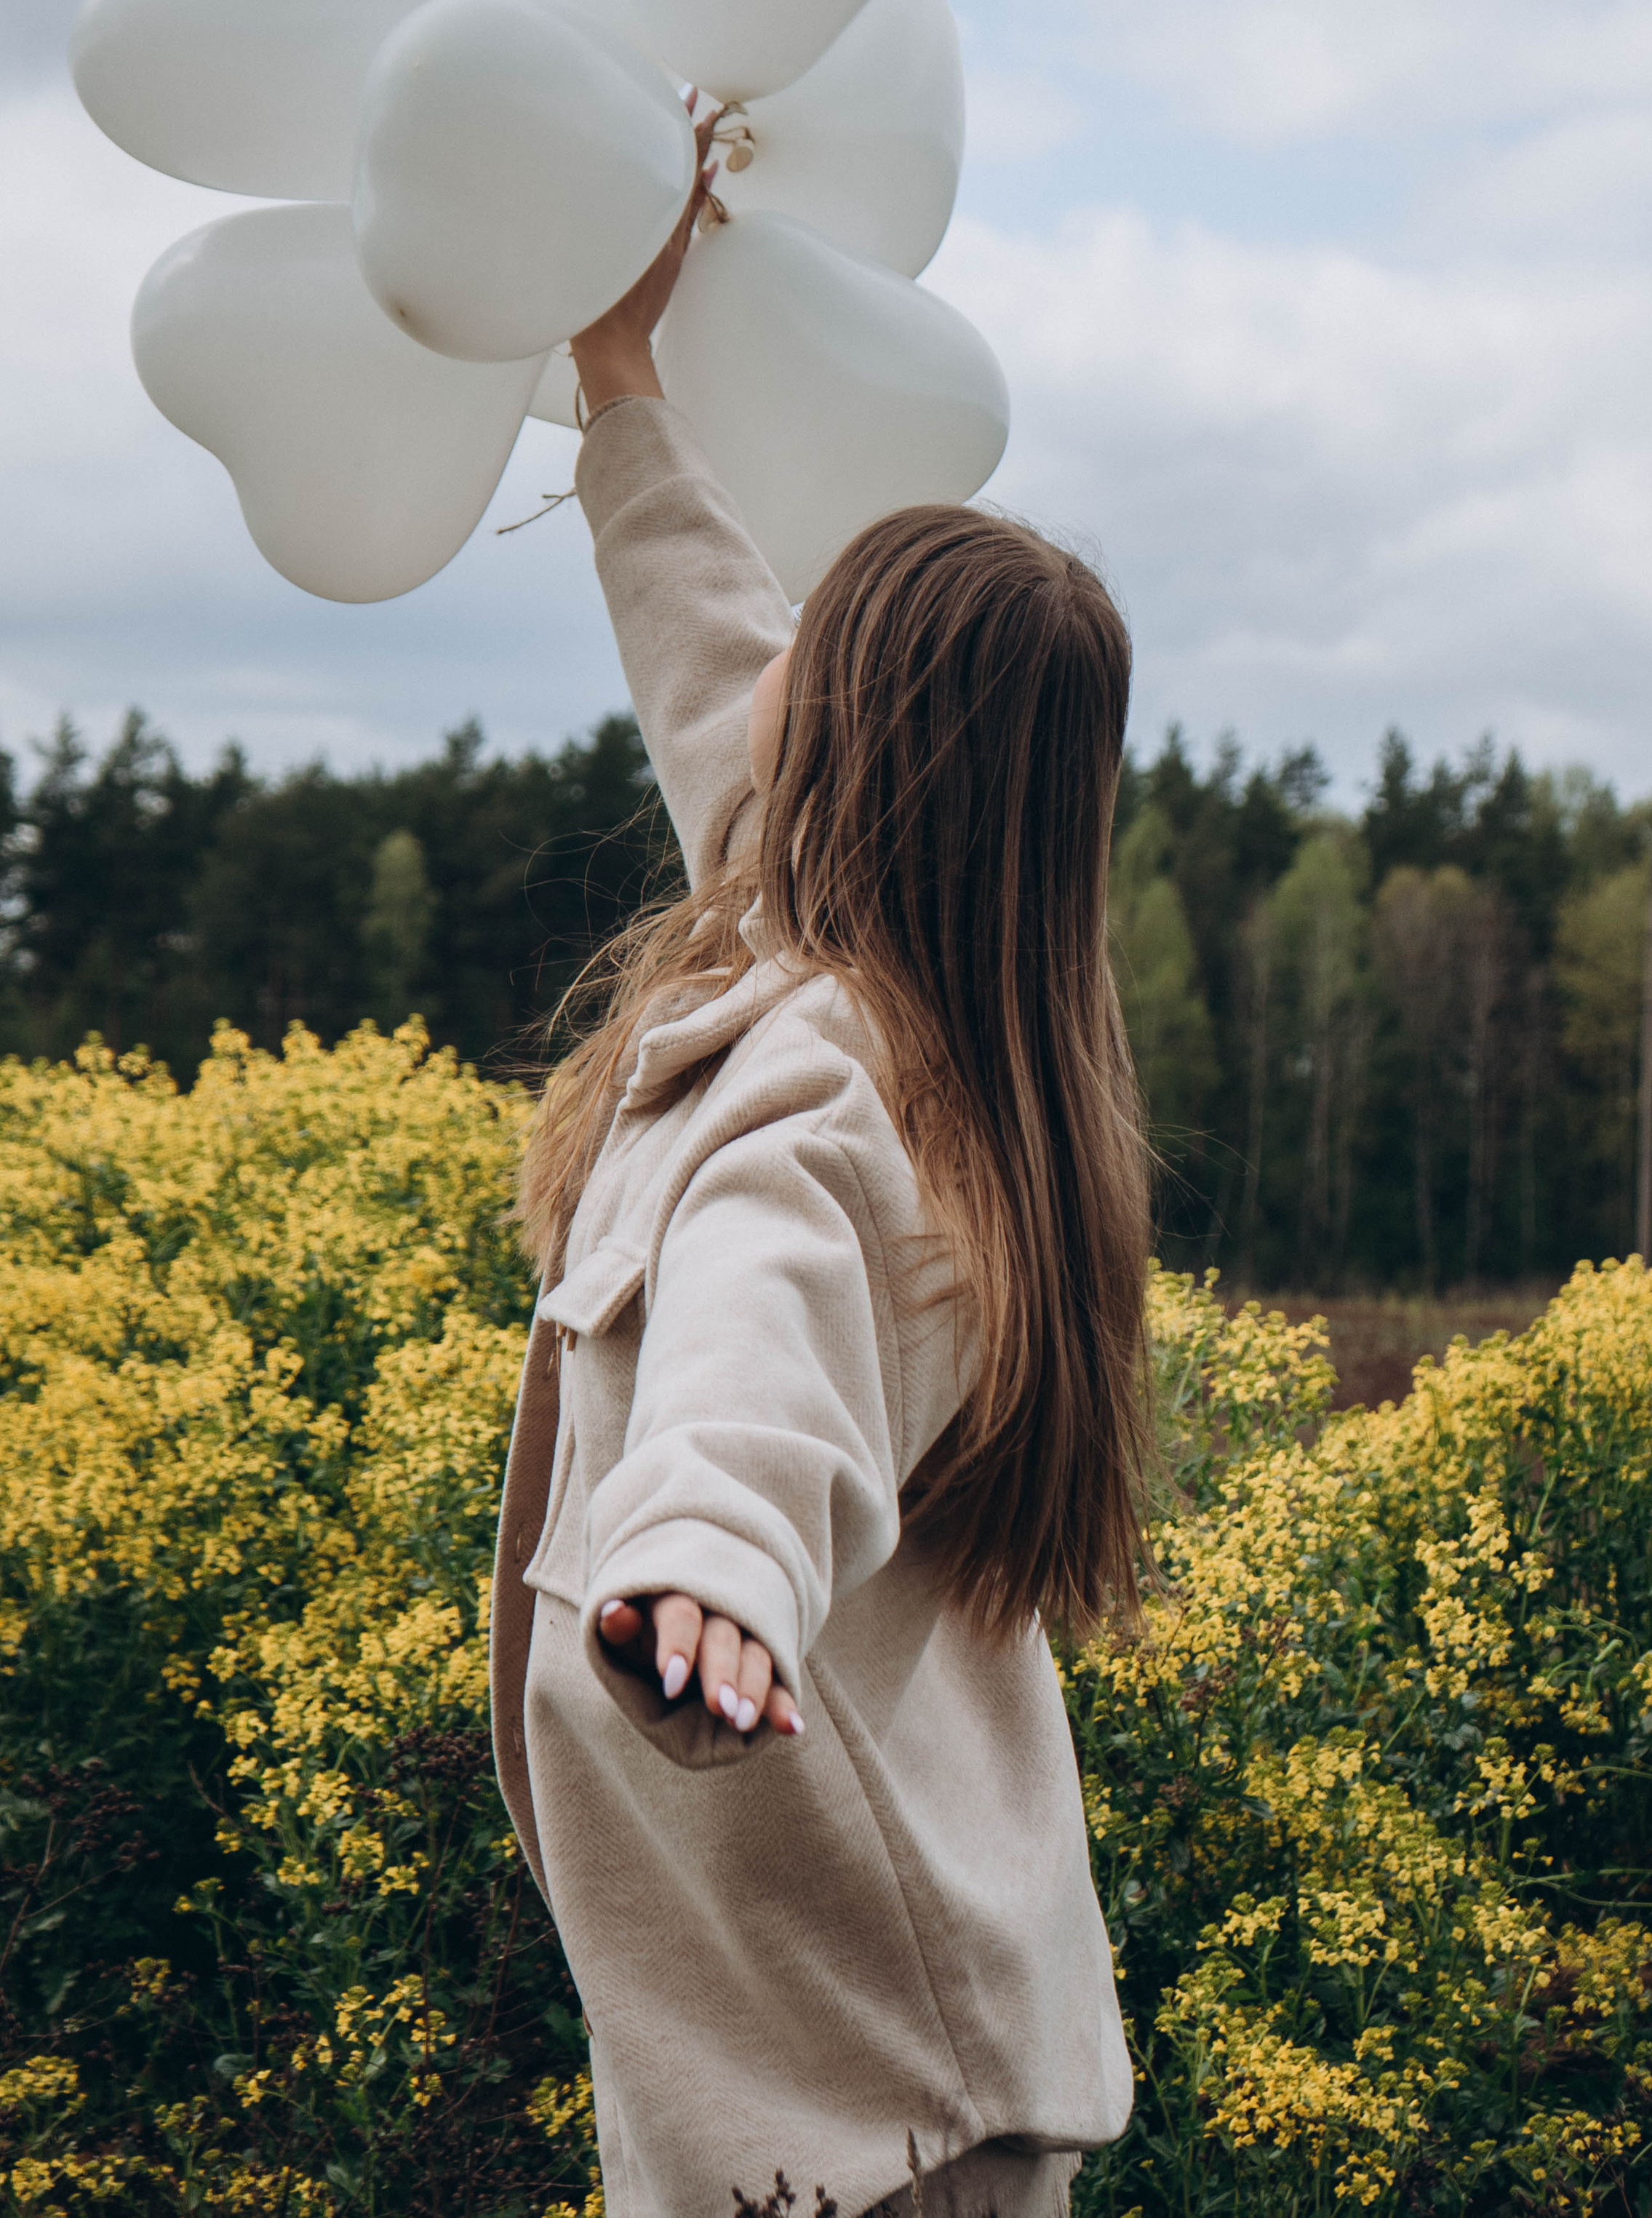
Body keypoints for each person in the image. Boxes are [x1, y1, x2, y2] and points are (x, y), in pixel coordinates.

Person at [491, 125, 1150, 2218]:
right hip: (873, 2062)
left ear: (860, 742)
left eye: (814, 635)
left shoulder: (843, 1109)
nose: (759, 647)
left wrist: (702, 1566)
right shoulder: (861, 972)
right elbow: (706, 656)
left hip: (879, 2134)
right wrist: (619, 380)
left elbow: (753, 1380)